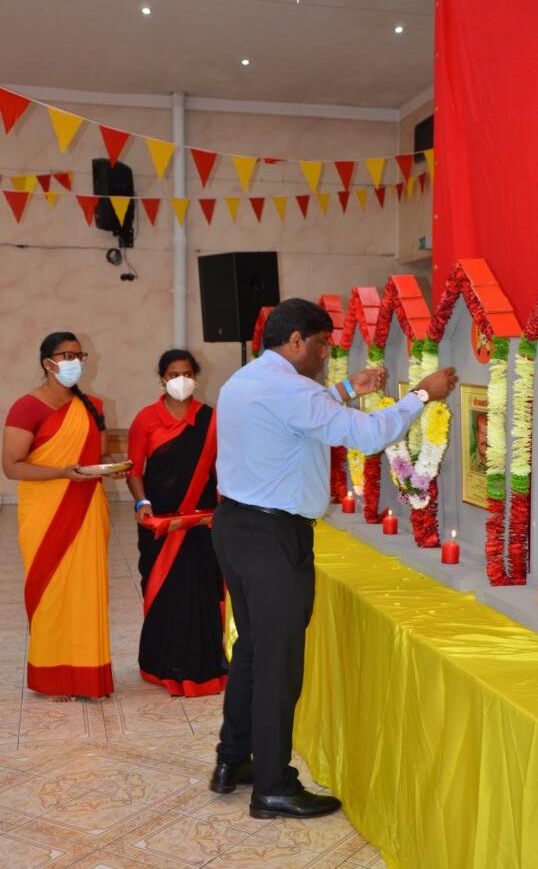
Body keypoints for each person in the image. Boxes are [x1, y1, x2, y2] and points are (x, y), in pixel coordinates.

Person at [210, 298, 457, 820]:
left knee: (252, 650)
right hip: (272, 538)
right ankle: (272, 787)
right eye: (322, 345)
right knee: (277, 663)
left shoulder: (244, 381)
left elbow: (300, 415)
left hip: (236, 526)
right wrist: (421, 394)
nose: (326, 355)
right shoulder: (292, 390)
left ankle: (233, 760)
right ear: (296, 341)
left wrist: (348, 390)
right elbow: (367, 435)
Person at [2, 332, 114, 700]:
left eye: (78, 354)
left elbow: (98, 457)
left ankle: (86, 674)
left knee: (86, 592)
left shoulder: (92, 405)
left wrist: (113, 468)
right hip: (45, 511)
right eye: (66, 355)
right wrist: (61, 473)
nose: (74, 361)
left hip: (87, 507)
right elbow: (12, 466)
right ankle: (52, 677)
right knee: (51, 592)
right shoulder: (26, 407)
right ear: (47, 362)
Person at [127, 349, 227, 697]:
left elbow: (221, 470)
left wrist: (224, 510)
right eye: (173, 374)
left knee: (201, 591)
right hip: (159, 524)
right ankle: (161, 665)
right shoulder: (146, 419)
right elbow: (135, 470)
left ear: (196, 377)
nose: (180, 380)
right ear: (162, 379)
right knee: (164, 592)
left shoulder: (211, 419)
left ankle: (204, 665)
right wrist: (142, 502)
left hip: (202, 523)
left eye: (186, 374)